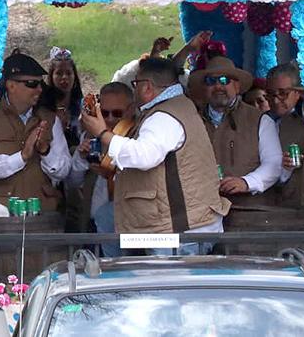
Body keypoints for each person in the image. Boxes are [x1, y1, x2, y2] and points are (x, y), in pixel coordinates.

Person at [81, 57, 229, 255]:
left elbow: (145, 156)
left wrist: (103, 133)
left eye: (135, 84)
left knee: (164, 284)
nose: (133, 90)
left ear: (147, 87)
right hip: (181, 224)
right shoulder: (178, 106)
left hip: (178, 231)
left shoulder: (164, 116)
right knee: (107, 215)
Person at [0, 51, 70, 211]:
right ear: (11, 85)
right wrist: (22, 156)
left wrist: (45, 151)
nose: (39, 89)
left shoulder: (49, 119)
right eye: (32, 84)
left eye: (41, 84)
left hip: (43, 214)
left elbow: (64, 171)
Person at [192, 56, 281, 209]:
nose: (218, 86)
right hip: (202, 212)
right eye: (211, 81)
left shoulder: (260, 120)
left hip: (249, 211)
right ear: (204, 88)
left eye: (225, 80)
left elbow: (274, 164)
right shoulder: (191, 121)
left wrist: (247, 182)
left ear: (237, 86)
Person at [65, 82, 134, 253]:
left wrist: (110, 174)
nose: (110, 119)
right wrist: (81, 158)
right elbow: (73, 182)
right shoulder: (89, 136)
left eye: (117, 113)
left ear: (131, 109)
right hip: (93, 226)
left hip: (129, 228)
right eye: (104, 113)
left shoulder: (138, 136)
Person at [265, 63, 304, 216]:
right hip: (293, 215)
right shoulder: (278, 125)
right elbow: (273, 180)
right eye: (271, 94)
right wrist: (285, 169)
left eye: (282, 93)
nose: (275, 101)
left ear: (299, 92)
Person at [40, 47, 84, 148]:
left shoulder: (81, 105)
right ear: (51, 76)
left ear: (74, 76)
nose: (64, 77)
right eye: (59, 73)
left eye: (68, 73)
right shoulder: (44, 106)